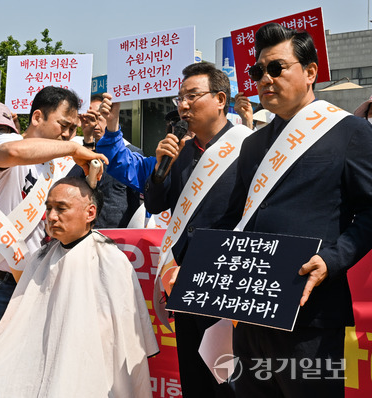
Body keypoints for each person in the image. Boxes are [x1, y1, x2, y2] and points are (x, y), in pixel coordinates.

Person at [219, 23, 372, 397]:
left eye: (277, 68)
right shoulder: (253, 145)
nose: (265, 79)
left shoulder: (349, 131)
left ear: (310, 72)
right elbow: (239, 216)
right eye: (258, 72)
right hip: (252, 312)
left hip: (311, 316)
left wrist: (333, 260)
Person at [0, 86, 107, 395]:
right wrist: (74, 149)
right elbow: (14, 154)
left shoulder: (58, 167)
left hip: (29, 280)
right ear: (37, 116)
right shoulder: (3, 142)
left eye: (73, 129)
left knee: (17, 372)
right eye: (64, 125)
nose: (68, 134)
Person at [0, 176, 158, 397]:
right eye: (49, 208)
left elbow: (124, 333)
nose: (51, 217)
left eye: (61, 208)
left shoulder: (111, 260)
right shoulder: (40, 258)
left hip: (92, 363)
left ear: (90, 213)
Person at [144, 62, 254, 397]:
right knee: (193, 379)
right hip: (182, 283)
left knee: (228, 381)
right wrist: (161, 168)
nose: (183, 105)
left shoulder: (248, 148)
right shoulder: (180, 151)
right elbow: (153, 204)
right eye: (181, 98)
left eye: (193, 96)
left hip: (226, 284)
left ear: (221, 99)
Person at [69, 94, 142, 228]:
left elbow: (135, 201)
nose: (95, 122)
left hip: (119, 233)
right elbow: (75, 183)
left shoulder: (131, 153)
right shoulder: (79, 150)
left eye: (99, 116)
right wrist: (88, 139)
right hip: (86, 230)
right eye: (90, 116)